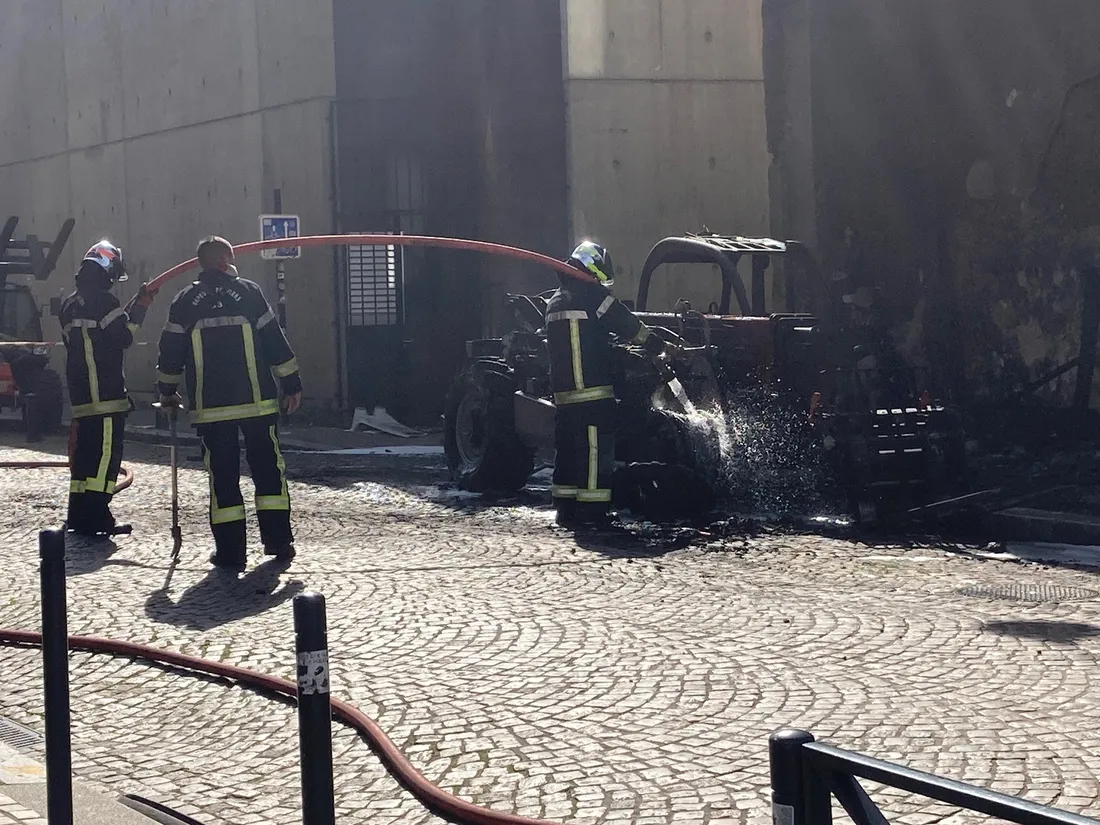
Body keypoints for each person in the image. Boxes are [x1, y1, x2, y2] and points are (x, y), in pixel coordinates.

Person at [155, 236, 302, 571]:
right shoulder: (249, 294)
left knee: (222, 479)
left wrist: (166, 391)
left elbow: (171, 352)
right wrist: (291, 384)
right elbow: (274, 341)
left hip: (212, 408)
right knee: (269, 474)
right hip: (258, 403)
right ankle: (279, 542)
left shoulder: (184, 301)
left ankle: (231, 553)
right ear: (225, 260)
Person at [546, 241, 669, 527]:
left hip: (564, 395)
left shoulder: (556, 301)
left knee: (567, 451)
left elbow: (590, 340)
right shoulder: (592, 296)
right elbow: (626, 324)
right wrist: (654, 343)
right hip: (593, 393)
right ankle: (593, 511)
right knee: (594, 452)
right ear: (592, 269)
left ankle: (565, 508)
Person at [60, 240, 157, 537]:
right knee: (105, 458)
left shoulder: (70, 304)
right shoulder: (106, 302)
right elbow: (123, 336)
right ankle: (98, 516)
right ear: (107, 269)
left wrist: (129, 308)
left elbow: (103, 333)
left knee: (85, 458)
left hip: (81, 395)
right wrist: (141, 308)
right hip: (105, 394)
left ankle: (77, 513)